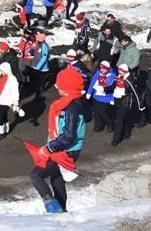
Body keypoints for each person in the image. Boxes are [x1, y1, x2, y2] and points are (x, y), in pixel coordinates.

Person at [29, 67, 91, 213]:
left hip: (66, 150)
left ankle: (53, 207)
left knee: (35, 175)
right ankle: (62, 210)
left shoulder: (70, 107)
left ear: (67, 88)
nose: (57, 88)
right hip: (66, 148)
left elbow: (68, 136)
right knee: (56, 179)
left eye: (59, 85)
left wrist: (49, 148)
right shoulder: (75, 102)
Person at [110, 65, 142, 146]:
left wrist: (140, 104)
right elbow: (113, 86)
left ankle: (115, 139)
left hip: (125, 102)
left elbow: (135, 92)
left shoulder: (129, 80)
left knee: (119, 120)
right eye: (119, 70)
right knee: (125, 118)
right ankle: (126, 133)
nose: (119, 72)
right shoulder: (118, 77)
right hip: (117, 100)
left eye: (121, 70)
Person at [0, 62, 24, 140]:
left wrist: (16, 102)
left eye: (3, 70)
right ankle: (6, 128)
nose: (1, 72)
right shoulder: (0, 77)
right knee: (3, 115)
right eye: (0, 70)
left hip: (7, 101)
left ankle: (0, 132)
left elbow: (15, 92)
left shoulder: (13, 80)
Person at [86, 61, 117, 133]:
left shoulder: (113, 76)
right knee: (96, 112)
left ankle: (110, 124)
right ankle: (98, 126)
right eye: (101, 68)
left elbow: (114, 89)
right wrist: (89, 93)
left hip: (106, 98)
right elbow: (92, 83)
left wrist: (112, 99)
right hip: (96, 96)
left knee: (103, 112)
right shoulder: (98, 73)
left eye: (104, 69)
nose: (102, 70)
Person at [27, 33, 51, 101]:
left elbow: (44, 57)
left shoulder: (44, 46)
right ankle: (36, 87)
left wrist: (39, 66)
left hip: (42, 67)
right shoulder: (38, 44)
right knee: (36, 78)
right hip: (36, 64)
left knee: (41, 79)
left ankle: (41, 89)